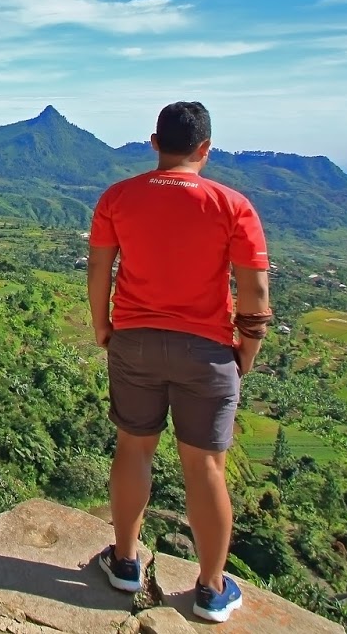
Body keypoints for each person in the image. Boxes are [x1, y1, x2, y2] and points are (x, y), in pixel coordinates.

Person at [85, 101, 273, 624]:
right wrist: (246, 352)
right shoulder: (233, 206)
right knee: (206, 466)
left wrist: (103, 324)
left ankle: (124, 561)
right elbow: (254, 290)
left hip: (135, 341)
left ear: (154, 143)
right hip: (207, 351)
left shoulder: (118, 198)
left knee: (134, 448)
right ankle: (211, 589)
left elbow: (100, 267)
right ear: (205, 149)